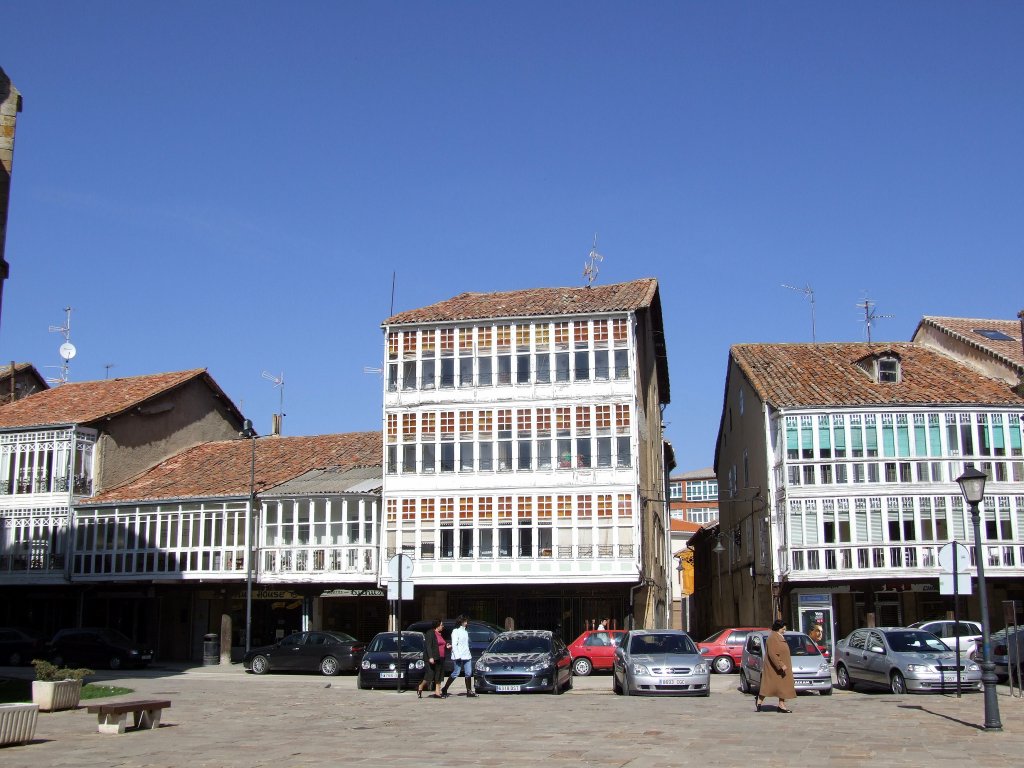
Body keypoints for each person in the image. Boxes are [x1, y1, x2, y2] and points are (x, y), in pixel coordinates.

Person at [756, 619, 796, 713]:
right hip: (775, 668)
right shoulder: (773, 638)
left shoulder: (779, 636)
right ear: (778, 628)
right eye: (783, 629)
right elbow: (772, 653)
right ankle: (759, 701)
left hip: (782, 667)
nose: (784, 630)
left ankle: (781, 705)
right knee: (768, 686)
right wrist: (780, 664)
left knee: (783, 687)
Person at [440, 615, 476, 698]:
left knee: (468, 672)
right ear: (461, 622)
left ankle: (469, 691)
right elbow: (454, 644)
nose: (466, 623)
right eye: (465, 621)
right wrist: (457, 655)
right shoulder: (455, 631)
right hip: (459, 655)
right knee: (456, 672)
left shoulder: (465, 631)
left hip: (466, 654)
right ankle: (445, 688)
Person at [418, 618, 448, 699]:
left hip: (441, 657)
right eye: (441, 625)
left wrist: (447, 646)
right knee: (430, 675)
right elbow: (428, 646)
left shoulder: (441, 634)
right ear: (437, 626)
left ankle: (437, 693)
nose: (443, 626)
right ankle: (420, 686)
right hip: (431, 658)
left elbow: (442, 644)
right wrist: (430, 657)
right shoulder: (430, 633)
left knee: (439, 675)